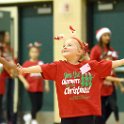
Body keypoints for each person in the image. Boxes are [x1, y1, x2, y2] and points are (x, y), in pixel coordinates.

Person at [1, 27, 124, 124]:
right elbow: (41, 68)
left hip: (87, 113)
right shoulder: (58, 66)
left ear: (80, 51)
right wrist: (24, 70)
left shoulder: (91, 66)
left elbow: (111, 64)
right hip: (67, 114)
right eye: (64, 45)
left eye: (69, 45)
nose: (65, 46)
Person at [90, 27, 122, 124]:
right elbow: (92, 65)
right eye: (105, 35)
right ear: (100, 37)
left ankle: (102, 121)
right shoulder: (95, 50)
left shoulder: (111, 50)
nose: (107, 37)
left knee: (113, 106)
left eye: (108, 35)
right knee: (100, 109)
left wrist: (119, 85)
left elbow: (113, 68)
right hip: (99, 84)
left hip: (110, 85)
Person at [18, 42, 50, 124]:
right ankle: (33, 119)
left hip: (39, 87)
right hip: (31, 88)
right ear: (29, 53)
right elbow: (20, 75)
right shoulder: (27, 64)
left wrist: (46, 85)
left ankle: (28, 116)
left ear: (38, 53)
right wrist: (25, 83)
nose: (34, 54)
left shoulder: (40, 63)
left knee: (39, 105)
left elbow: (45, 74)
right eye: (32, 52)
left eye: (36, 52)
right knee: (34, 104)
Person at [0, 31, 17, 124]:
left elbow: (12, 61)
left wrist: (14, 71)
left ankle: (10, 119)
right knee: (4, 99)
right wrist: (9, 70)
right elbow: (2, 62)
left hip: (11, 76)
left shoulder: (9, 49)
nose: (8, 37)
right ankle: (3, 119)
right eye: (6, 35)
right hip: (4, 76)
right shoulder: (1, 48)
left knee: (10, 98)